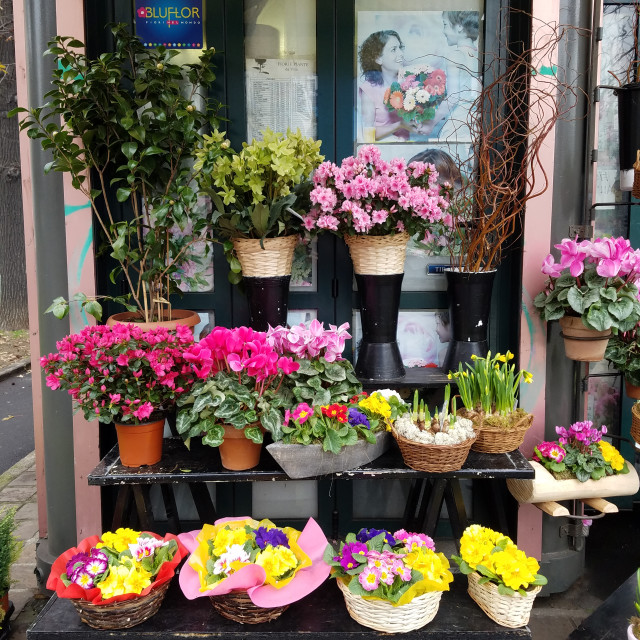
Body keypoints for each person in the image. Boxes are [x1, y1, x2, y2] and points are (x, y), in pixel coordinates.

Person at [358, 30, 410, 142]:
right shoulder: (369, 89)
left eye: (400, 48)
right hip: (383, 151)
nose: (400, 53)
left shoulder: (408, 83)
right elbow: (368, 135)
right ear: (378, 59)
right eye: (393, 50)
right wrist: (400, 125)